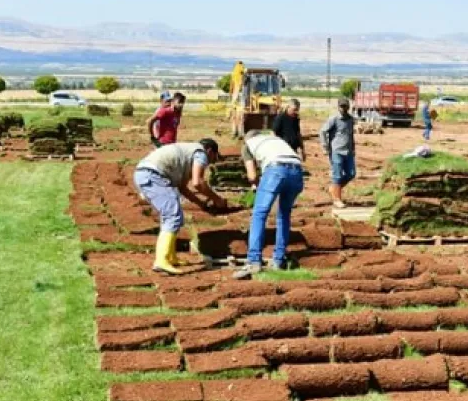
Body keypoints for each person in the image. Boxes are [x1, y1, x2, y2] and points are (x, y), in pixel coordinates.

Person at [133, 139, 227, 275]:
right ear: (210, 151)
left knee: (173, 215)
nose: (208, 164)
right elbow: (198, 183)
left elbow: (183, 188)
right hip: (153, 175)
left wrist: (201, 204)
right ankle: (161, 261)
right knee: (172, 216)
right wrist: (217, 199)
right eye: (212, 159)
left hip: (148, 174)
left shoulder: (188, 154)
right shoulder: (200, 154)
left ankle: (171, 257)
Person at [233, 131, 305, 278]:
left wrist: (256, 185)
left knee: (259, 214)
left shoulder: (248, 144)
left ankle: (253, 261)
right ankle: (278, 260)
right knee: (284, 214)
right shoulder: (275, 139)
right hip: (297, 171)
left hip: (275, 169)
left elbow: (252, 176)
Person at [319, 97, 356, 209]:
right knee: (337, 175)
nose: (344, 108)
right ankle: (337, 199)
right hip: (336, 151)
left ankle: (333, 189)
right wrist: (325, 147)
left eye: (345, 106)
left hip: (348, 151)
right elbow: (322, 131)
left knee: (351, 173)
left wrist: (353, 148)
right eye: (342, 106)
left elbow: (351, 135)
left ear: (348, 107)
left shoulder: (350, 119)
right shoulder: (333, 119)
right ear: (338, 107)